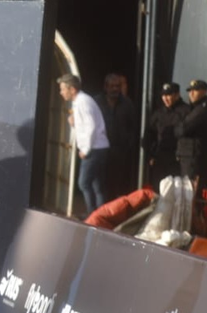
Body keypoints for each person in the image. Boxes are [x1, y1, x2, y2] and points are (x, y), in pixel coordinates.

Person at [57, 73, 110, 216]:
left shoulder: (83, 101)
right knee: (97, 185)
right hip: (98, 147)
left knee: (83, 183)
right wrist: (74, 123)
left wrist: (85, 150)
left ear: (72, 89)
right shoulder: (80, 101)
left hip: (94, 149)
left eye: (63, 89)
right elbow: (86, 125)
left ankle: (92, 214)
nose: (61, 92)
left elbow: (91, 126)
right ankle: (100, 216)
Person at [94, 73, 137, 201]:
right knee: (99, 184)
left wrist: (128, 144)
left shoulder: (127, 104)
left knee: (116, 184)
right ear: (105, 87)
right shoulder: (96, 102)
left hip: (119, 151)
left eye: (117, 86)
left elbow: (133, 126)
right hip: (100, 150)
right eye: (112, 86)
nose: (115, 89)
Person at [143, 82, 188, 187]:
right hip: (160, 159)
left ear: (177, 95)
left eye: (168, 95)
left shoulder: (186, 111)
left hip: (178, 161)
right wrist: (150, 155)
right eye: (163, 95)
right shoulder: (158, 113)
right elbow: (148, 135)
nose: (165, 98)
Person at [175, 78, 207, 188]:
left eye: (195, 90)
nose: (191, 93)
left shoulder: (201, 110)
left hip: (194, 160)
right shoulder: (194, 109)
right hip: (190, 158)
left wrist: (179, 126)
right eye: (190, 91)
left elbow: (181, 130)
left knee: (191, 191)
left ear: (204, 91)